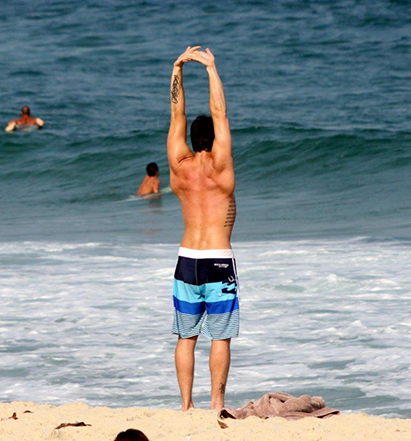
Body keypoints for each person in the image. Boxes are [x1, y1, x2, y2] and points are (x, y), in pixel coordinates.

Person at [167, 46, 238, 411]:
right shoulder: (220, 167)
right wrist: (211, 68)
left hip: (186, 260)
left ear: (192, 140)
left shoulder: (180, 166)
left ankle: (185, 406)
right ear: (214, 139)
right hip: (218, 260)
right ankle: (216, 403)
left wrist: (177, 67)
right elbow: (220, 113)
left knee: (186, 337)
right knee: (220, 337)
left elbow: (176, 113)